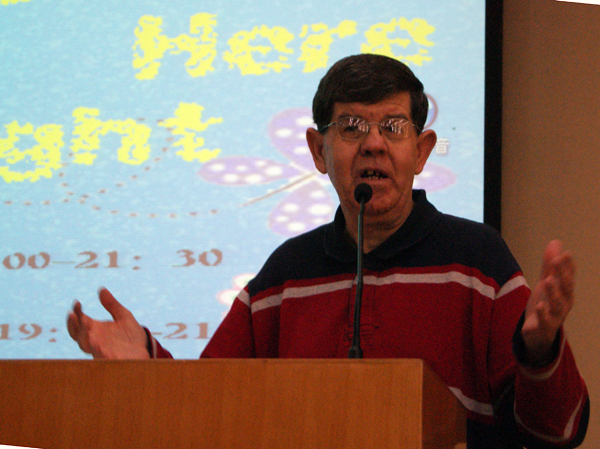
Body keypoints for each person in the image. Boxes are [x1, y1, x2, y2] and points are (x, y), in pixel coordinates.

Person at [67, 54, 589, 448]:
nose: (373, 144)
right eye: (352, 127)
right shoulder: (284, 276)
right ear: (319, 151)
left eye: (393, 127)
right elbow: (211, 406)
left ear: (421, 151)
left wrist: (540, 351)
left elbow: (556, 432)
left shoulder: (477, 259)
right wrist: (147, 364)